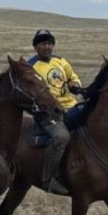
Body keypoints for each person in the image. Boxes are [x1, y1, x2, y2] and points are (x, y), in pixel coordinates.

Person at [28, 28, 81, 194]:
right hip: (49, 112)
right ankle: (49, 179)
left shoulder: (61, 61)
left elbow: (73, 77)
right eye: (43, 43)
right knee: (61, 137)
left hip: (71, 106)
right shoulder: (31, 67)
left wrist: (75, 85)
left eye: (50, 43)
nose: (47, 47)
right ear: (36, 47)